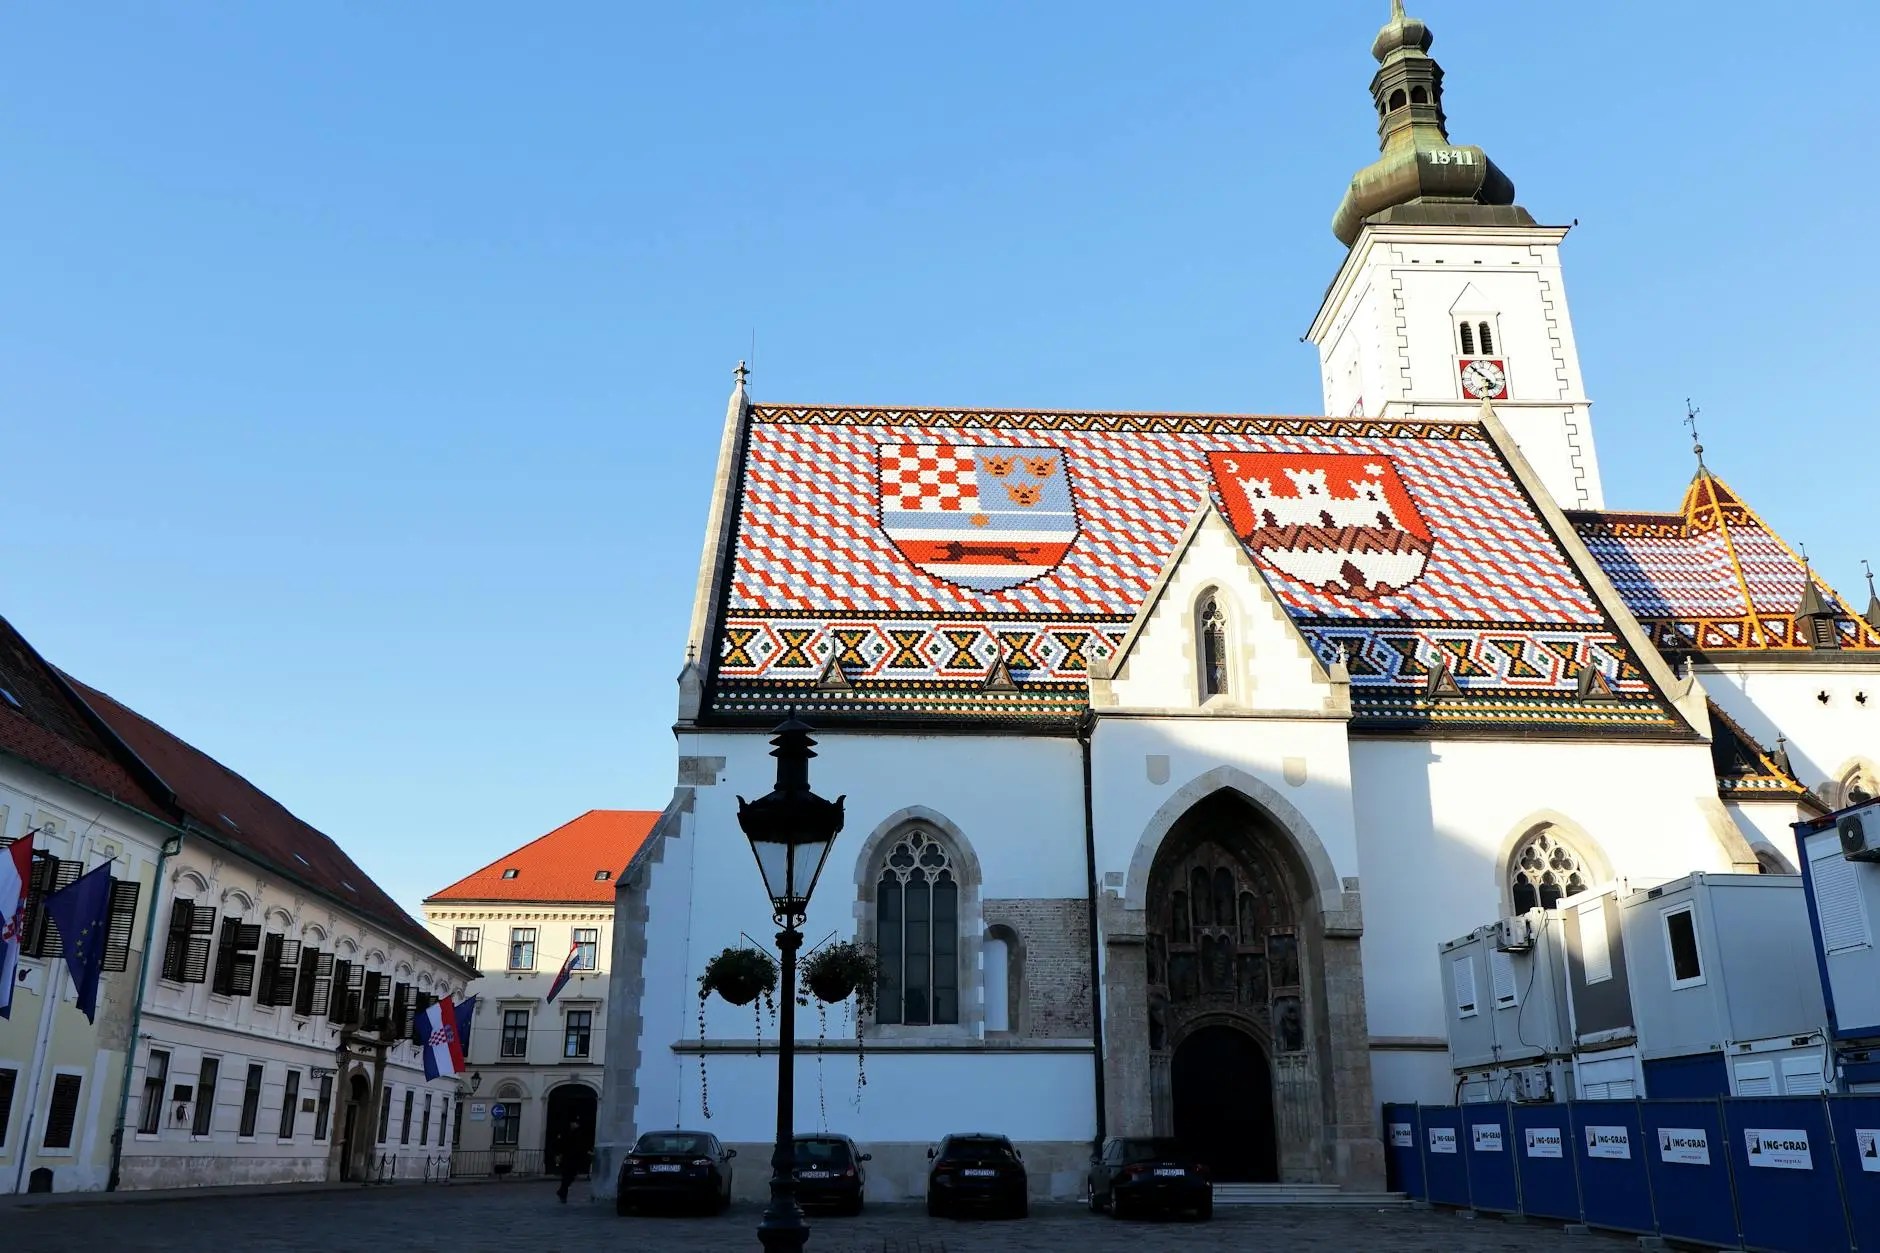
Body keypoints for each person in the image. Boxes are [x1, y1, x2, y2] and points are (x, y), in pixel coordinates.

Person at [556, 1117, 589, 1203]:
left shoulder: (576, 1133)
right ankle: (562, 1193)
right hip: (569, 1159)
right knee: (567, 1177)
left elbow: (578, 1146)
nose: (572, 1125)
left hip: (572, 1158)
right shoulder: (570, 1133)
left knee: (568, 1177)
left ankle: (562, 1192)